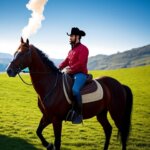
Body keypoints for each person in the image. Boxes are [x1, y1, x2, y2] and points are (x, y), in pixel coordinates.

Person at [59, 27, 89, 124]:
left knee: (75, 90)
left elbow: (81, 63)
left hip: (80, 74)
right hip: (71, 73)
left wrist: (70, 69)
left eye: (71, 36)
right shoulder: (71, 51)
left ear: (77, 37)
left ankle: (79, 114)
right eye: (70, 36)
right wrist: (58, 68)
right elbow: (66, 61)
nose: (70, 38)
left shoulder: (84, 49)